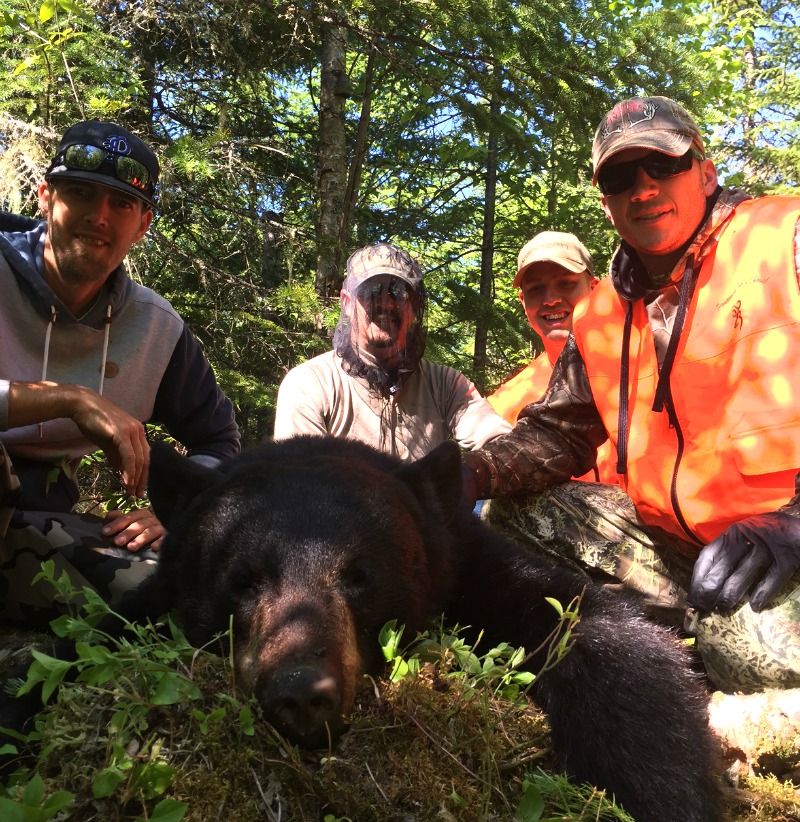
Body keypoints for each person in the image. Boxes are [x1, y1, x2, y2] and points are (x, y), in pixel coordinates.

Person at [461, 96, 800, 695]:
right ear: (605, 201)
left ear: (705, 171)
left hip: (783, 548)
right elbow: (558, 434)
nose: (643, 189)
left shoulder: (783, 237)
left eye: (662, 165)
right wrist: (467, 474)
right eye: (620, 177)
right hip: (677, 550)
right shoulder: (600, 314)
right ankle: (658, 639)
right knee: (509, 515)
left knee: (751, 655)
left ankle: (715, 654)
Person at [0, 120, 240, 620]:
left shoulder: (155, 329)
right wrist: (70, 399)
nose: (98, 217)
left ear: (143, 224)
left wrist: (180, 510)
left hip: (42, 522)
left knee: (190, 593)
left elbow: (218, 439)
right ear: (45, 197)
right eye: (80, 193)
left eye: (122, 204)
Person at [274, 242, 511, 459]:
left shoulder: (445, 383)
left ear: (416, 306)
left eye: (398, 292)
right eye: (372, 291)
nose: (386, 303)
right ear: (347, 302)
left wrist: (472, 475)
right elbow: (299, 476)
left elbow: (502, 445)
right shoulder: (311, 383)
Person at [487, 230, 615, 483]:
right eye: (536, 289)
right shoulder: (503, 406)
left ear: (594, 289)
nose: (551, 299)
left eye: (566, 283)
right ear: (523, 302)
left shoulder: (642, 366)